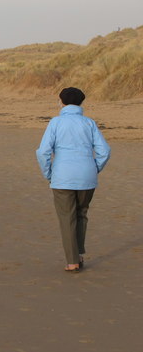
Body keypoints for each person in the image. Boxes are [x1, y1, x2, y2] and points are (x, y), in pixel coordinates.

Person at [36, 87, 111, 273]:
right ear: (81, 103)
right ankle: (77, 254)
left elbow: (43, 151)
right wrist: (95, 168)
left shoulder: (56, 122)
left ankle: (72, 261)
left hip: (62, 177)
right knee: (81, 214)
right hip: (86, 175)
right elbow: (104, 151)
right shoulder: (89, 123)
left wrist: (49, 173)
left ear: (61, 102)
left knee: (66, 218)